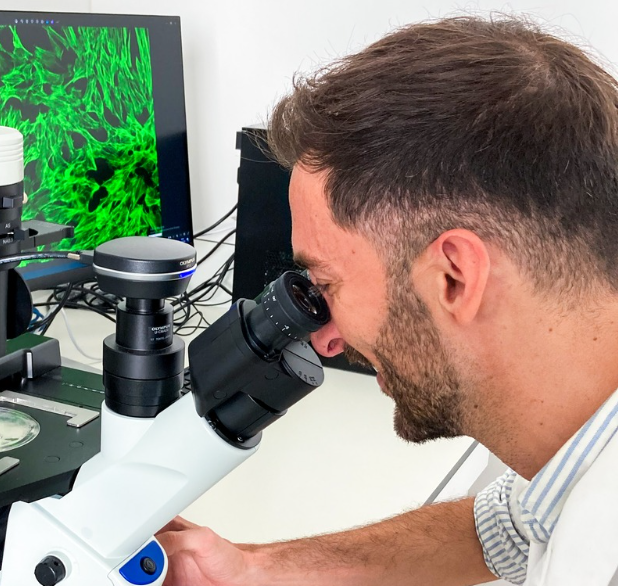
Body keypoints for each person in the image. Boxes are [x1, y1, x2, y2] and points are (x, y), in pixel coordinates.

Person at [157, 15, 618, 586]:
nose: (326, 340)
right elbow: (504, 528)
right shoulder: (571, 446)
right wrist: (250, 570)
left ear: (454, 277)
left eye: (325, 286)